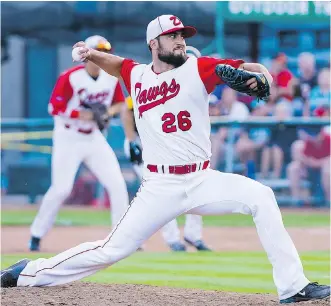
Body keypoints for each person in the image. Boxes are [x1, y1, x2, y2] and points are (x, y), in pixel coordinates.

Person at [2, 15, 329, 304]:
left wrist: (263, 78)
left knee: (262, 197)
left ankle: (293, 287)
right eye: (173, 35)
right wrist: (91, 54)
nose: (181, 40)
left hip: (202, 180)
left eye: (183, 35)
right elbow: (116, 64)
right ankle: (28, 272)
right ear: (153, 43)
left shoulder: (200, 67)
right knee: (111, 250)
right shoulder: (138, 75)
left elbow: (251, 70)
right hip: (159, 186)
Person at [28, 35, 130, 252]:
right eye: (98, 51)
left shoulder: (110, 78)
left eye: (105, 51)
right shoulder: (71, 77)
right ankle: (36, 234)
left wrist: (104, 113)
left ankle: (121, 236)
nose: (102, 55)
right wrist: (82, 114)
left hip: (93, 138)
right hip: (69, 138)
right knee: (61, 189)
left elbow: (119, 104)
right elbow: (53, 108)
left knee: (117, 183)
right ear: (87, 54)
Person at [122, 96, 211, 252]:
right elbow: (126, 111)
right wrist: (131, 141)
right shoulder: (145, 86)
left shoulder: (177, 88)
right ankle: (172, 239)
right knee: (161, 191)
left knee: (192, 185)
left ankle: (193, 234)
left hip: (169, 144)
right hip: (142, 143)